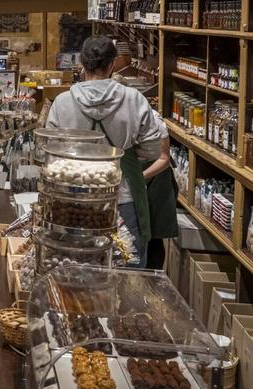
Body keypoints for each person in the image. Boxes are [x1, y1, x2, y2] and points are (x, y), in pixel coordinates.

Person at [46, 36, 173, 266]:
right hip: (122, 197)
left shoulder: (62, 102)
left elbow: (52, 152)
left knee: (76, 264)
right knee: (126, 264)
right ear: (113, 64)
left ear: (82, 65)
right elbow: (154, 150)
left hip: (73, 200)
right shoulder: (134, 99)